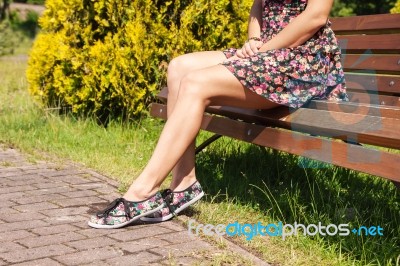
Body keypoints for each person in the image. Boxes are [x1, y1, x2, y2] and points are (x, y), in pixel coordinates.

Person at [88, 0, 348, 229]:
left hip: (301, 62)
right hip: (267, 53)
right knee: (179, 68)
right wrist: (255, 41)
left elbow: (316, 15)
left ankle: (142, 192)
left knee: (195, 83)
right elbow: (259, 6)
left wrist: (265, 48)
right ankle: (183, 184)